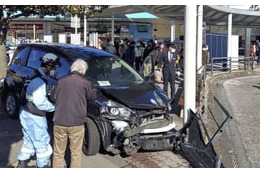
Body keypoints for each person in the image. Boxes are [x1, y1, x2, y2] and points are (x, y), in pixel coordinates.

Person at [17, 53, 60, 168]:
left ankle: (22, 162)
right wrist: (55, 107)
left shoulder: (33, 74)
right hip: (34, 115)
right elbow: (40, 103)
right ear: (48, 66)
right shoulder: (39, 81)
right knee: (42, 142)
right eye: (54, 67)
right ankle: (43, 165)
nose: (55, 70)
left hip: (25, 112)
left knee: (29, 138)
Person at [52, 59, 96, 168]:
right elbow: (91, 97)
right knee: (75, 152)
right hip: (77, 121)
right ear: (83, 70)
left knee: (58, 152)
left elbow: (53, 97)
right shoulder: (85, 82)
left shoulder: (61, 80)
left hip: (59, 120)